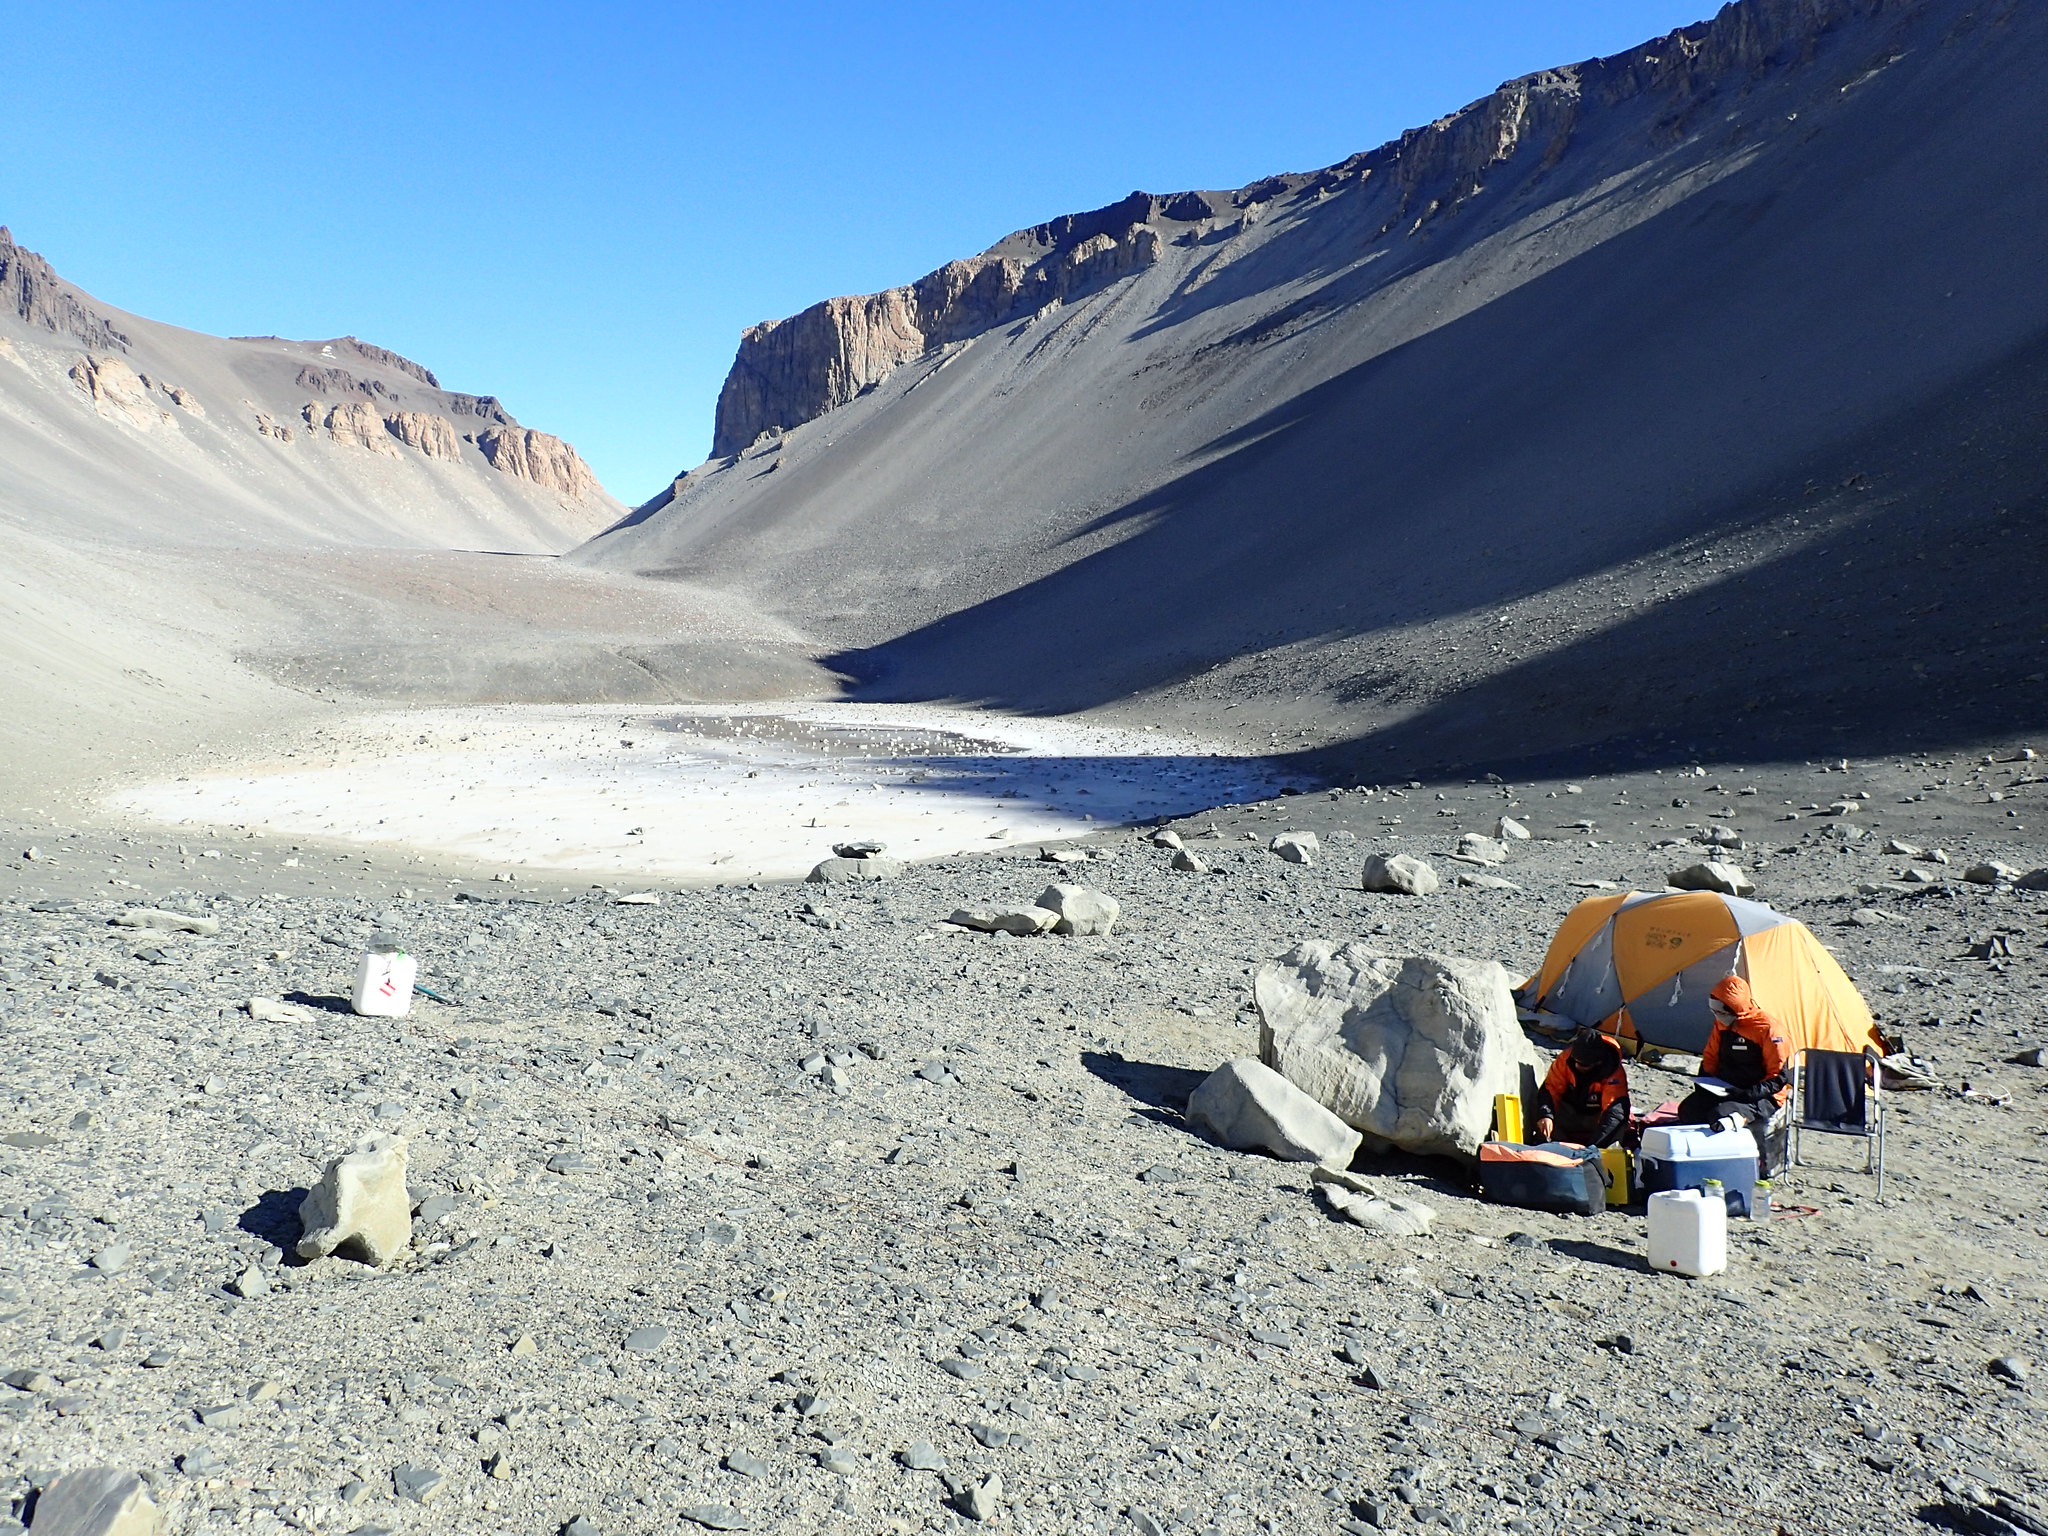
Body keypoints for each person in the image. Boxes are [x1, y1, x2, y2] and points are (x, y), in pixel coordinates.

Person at [1675, 975, 1790, 1150]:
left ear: (1734, 1010)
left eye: (1720, 1013)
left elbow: (1778, 1078)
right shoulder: (1722, 1023)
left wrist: (1746, 1094)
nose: (1716, 1016)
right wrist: (1705, 1084)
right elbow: (1710, 1057)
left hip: (1761, 1096)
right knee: (1689, 1110)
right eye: (1713, 1012)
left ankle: (1741, 1133)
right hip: (1728, 1088)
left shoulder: (1769, 1029)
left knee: (1720, 1116)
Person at [1533, 1029, 1632, 1147]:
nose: (1577, 1065)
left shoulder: (1613, 1071)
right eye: (1575, 1061)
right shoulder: (1566, 1059)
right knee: (1544, 1126)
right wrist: (1546, 1115)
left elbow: (1614, 1111)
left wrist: (1594, 1147)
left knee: (1617, 1123)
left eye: (1583, 1064)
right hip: (1568, 1114)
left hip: (1595, 1120)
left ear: (1598, 1062)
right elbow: (1550, 1089)